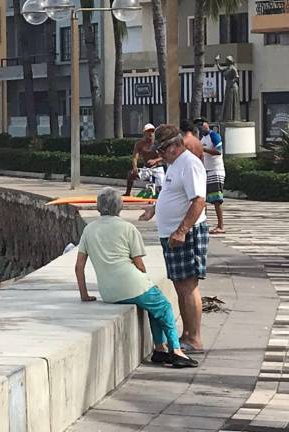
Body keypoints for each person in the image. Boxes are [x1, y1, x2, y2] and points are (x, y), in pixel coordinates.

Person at [76, 187, 198, 368]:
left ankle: (159, 349)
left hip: (109, 292)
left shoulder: (89, 229)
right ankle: (176, 350)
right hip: (131, 284)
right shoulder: (128, 228)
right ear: (119, 206)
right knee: (164, 307)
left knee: (154, 308)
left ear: (99, 206)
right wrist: (145, 279)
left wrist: (84, 295)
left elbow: (79, 267)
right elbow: (139, 264)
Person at [139, 124, 208, 354]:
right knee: (180, 285)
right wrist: (155, 209)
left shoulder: (189, 164)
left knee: (188, 285)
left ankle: (194, 338)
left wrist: (181, 231)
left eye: (162, 150)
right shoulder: (175, 165)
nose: (160, 154)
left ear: (174, 146)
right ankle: (186, 335)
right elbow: (173, 194)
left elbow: (198, 200)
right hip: (173, 234)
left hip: (186, 234)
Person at [200, 122, 226, 234]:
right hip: (206, 171)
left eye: (202, 124)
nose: (201, 127)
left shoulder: (214, 135)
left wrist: (203, 149)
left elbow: (218, 151)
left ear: (207, 125)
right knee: (201, 199)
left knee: (216, 200)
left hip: (216, 171)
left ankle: (221, 225)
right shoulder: (202, 139)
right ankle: (202, 224)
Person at [125, 123, 164, 196]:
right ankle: (127, 193)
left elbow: (165, 156)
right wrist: (135, 167)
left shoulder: (158, 143)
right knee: (131, 174)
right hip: (146, 169)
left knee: (161, 189)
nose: (151, 133)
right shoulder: (139, 144)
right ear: (144, 133)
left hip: (158, 168)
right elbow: (135, 157)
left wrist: (155, 160)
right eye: (148, 131)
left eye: (152, 131)